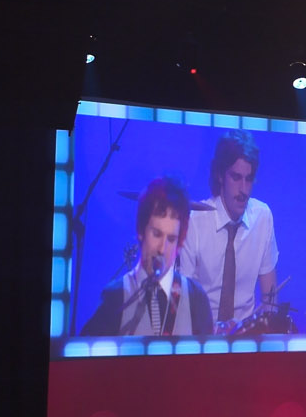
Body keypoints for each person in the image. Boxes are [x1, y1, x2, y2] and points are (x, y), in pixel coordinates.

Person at [81, 177, 213, 335]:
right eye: (156, 234)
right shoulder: (115, 297)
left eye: (171, 239)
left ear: (180, 242)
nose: (162, 249)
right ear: (140, 231)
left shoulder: (196, 298)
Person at [179, 129, 279, 331]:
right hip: (202, 337)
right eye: (236, 177)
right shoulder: (194, 223)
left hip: (247, 338)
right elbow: (184, 305)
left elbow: (270, 299)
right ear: (219, 175)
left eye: (249, 179)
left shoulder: (263, 217)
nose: (244, 190)